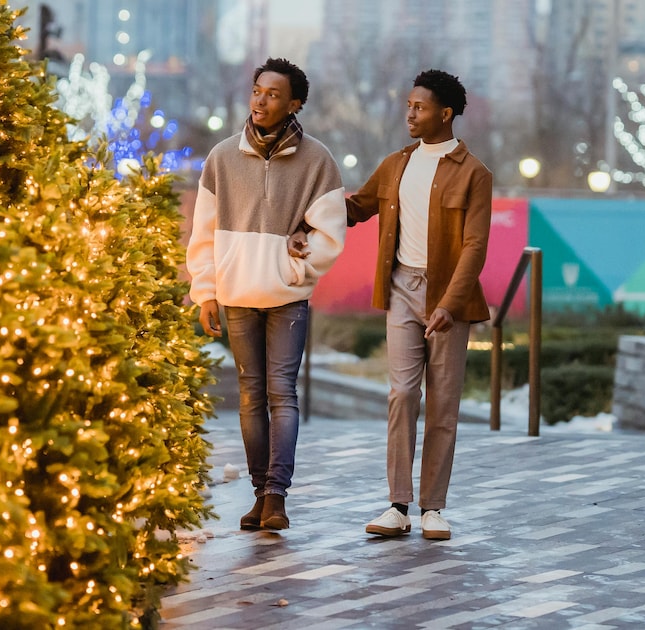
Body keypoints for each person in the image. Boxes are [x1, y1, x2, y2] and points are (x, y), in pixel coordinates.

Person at [186, 58, 346, 531]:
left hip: (287, 297)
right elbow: (203, 233)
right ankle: (260, 493)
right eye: (257, 91)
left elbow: (331, 234)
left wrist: (297, 267)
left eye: (273, 94)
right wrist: (206, 291)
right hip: (235, 294)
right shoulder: (221, 158)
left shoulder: (317, 160)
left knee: (282, 393)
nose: (260, 100)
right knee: (251, 396)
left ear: (294, 103)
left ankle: (277, 495)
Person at [347, 69, 492, 540]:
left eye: (419, 106)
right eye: (408, 105)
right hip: (400, 291)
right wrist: (307, 213)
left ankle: (433, 507)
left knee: (443, 404)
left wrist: (449, 304)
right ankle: (397, 505)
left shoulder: (475, 174)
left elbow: (475, 246)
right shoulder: (396, 164)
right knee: (403, 395)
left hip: (449, 298)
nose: (409, 113)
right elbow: (356, 207)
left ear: (445, 114)